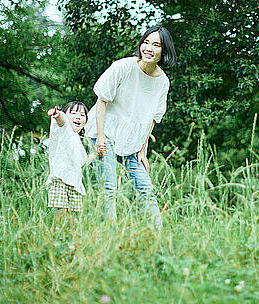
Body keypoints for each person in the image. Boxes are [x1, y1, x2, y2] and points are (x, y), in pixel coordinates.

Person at [84, 25, 176, 229]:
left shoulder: (163, 82)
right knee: (109, 186)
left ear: (164, 51)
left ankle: (159, 234)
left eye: (156, 45)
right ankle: (111, 233)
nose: (149, 48)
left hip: (132, 142)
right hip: (105, 130)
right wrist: (99, 137)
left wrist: (143, 150)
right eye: (146, 42)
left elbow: (154, 118)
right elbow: (102, 100)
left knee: (145, 186)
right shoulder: (123, 67)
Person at [45, 101, 96, 218]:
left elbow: (82, 163)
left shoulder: (78, 140)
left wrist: (96, 154)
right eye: (73, 113)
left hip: (75, 183)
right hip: (60, 180)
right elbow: (62, 120)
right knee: (61, 215)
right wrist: (57, 114)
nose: (78, 117)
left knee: (74, 217)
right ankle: (57, 235)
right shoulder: (63, 129)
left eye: (82, 115)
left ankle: (70, 236)